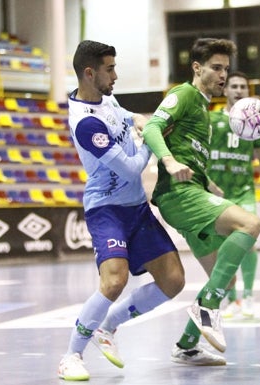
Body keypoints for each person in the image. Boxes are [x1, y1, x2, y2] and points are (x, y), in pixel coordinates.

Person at [57, 40, 220, 381]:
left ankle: (108, 327)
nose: (116, 75)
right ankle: (71, 355)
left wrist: (143, 123)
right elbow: (131, 169)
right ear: (90, 73)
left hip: (136, 208)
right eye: (110, 69)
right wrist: (151, 140)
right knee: (114, 281)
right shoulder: (86, 124)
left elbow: (133, 116)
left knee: (174, 281)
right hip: (107, 209)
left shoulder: (106, 98)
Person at [142, 38, 260, 355]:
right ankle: (207, 308)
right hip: (178, 195)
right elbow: (153, 127)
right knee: (249, 225)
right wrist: (167, 161)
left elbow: (189, 154)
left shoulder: (204, 110)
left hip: (194, 191)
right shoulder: (183, 94)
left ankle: (187, 346)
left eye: (226, 68)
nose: (223, 75)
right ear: (198, 68)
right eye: (216, 68)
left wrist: (208, 181)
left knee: (224, 280)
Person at [206, 72, 260, 319]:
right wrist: (206, 183)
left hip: (243, 192)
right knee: (223, 248)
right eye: (234, 86)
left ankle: (249, 295)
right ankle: (233, 300)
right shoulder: (211, 119)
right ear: (226, 89)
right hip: (218, 193)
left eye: (243, 86)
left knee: (248, 243)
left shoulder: (255, 123)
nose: (239, 90)